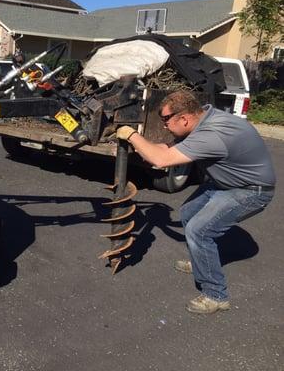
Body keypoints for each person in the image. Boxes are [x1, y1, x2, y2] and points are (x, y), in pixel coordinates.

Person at [116, 90, 276, 314]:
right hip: (227, 183)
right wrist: (143, 145)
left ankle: (216, 295)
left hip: (250, 191)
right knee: (188, 212)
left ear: (184, 118)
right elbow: (166, 149)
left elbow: (162, 160)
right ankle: (203, 261)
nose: (163, 125)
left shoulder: (212, 134)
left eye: (165, 120)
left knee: (199, 231)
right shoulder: (203, 119)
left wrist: (132, 135)